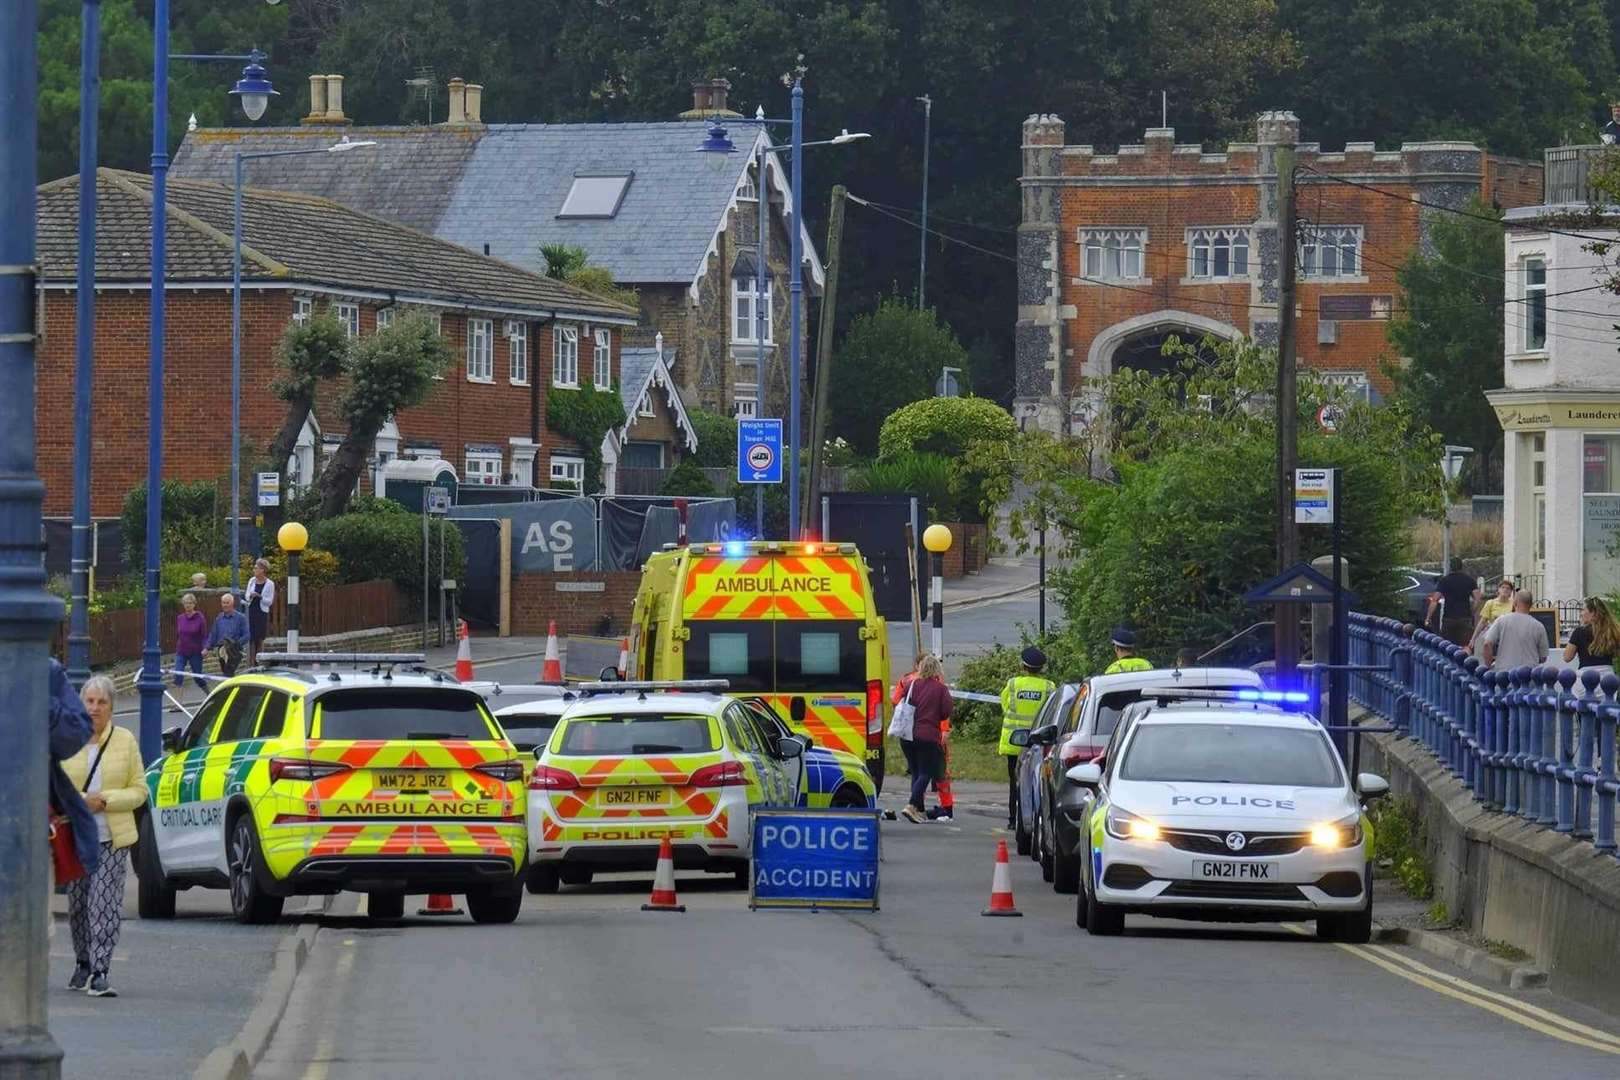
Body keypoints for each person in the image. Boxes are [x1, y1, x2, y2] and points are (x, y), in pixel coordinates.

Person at [60, 676, 146, 997]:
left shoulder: (124, 741)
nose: (95, 708)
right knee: (78, 904)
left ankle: (100, 970)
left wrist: (105, 799)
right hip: (76, 838)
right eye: (90, 702)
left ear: (111, 708)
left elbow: (139, 791)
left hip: (112, 837)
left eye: (102, 703)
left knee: (104, 903)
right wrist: (78, 800)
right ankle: (83, 960)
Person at [48, 659, 97, 943]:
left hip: (30, 829)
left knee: (33, 931)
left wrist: (41, 700)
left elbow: (78, 731)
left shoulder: (44, 672)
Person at [998, 646, 1055, 829]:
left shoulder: (1013, 684)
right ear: (1041, 668)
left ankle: (1013, 819)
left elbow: (1005, 705)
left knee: (1014, 782)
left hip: (1014, 742)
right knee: (1036, 782)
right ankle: (1033, 817)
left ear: (1023, 665)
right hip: (1037, 742)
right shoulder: (1048, 686)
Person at [902, 655, 952, 824]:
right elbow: (946, 712)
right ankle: (911, 805)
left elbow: (902, 703)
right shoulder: (940, 689)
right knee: (926, 772)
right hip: (928, 735)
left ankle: (919, 810)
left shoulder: (911, 684)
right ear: (937, 669)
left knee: (916, 772)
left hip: (907, 735)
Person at [1478, 589, 1550, 672]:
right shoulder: (1539, 626)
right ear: (1531, 605)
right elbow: (1543, 657)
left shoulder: (1501, 620)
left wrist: (1488, 665)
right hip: (1529, 674)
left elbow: (1487, 644)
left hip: (1504, 673)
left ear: (1514, 603)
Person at [889, 653, 926, 799]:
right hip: (924, 729)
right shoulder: (934, 681)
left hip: (906, 729)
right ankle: (916, 803)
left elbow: (895, 700)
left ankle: (916, 802)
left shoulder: (905, 679)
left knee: (915, 768)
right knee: (925, 770)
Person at [1428, 568, 1481, 648]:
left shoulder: (1445, 580)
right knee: (1466, 646)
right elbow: (1477, 599)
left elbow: (1435, 600)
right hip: (1465, 617)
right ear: (1461, 567)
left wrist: (1428, 617)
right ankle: (1466, 660)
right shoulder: (1469, 580)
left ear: (1450, 568)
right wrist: (1472, 612)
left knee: (1447, 646)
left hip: (1448, 618)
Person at [1564, 596, 1620, 669]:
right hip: (1608, 675)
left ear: (1593, 613)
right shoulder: (1613, 631)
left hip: (1586, 676)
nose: (1581, 613)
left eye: (1583, 610)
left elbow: (1567, 657)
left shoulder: (1579, 632)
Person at [173, 592, 208, 703]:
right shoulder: (180, 618)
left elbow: (204, 635)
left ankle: (209, 695)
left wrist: (205, 648)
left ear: (194, 604)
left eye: (189, 603)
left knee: (198, 677)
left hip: (195, 652)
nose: (187, 605)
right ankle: (178, 703)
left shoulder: (199, 618)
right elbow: (179, 634)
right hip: (182, 651)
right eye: (185, 603)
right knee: (178, 675)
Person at [204, 592, 250, 676]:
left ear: (232, 603)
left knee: (228, 673)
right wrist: (207, 648)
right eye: (223, 603)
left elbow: (247, 635)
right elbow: (213, 634)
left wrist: (236, 644)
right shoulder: (219, 618)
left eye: (227, 603)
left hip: (234, 651)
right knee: (226, 674)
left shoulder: (240, 618)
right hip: (221, 651)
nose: (225, 605)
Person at [244, 558, 277, 665]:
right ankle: (251, 662)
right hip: (251, 610)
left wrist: (260, 596)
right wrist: (251, 595)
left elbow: (269, 601)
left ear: (262, 570)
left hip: (261, 612)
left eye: (256, 568)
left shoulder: (270, 584)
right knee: (251, 637)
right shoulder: (252, 580)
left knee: (260, 637)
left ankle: (259, 661)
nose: (254, 569)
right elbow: (247, 595)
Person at [1470, 578, 1516, 648]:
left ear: (1510, 592)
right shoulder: (1490, 603)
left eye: (1508, 588)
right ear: (1498, 590)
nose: (1505, 589)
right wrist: (1473, 639)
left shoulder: (1514, 604)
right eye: (1503, 587)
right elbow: (1482, 622)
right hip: (1493, 635)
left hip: (1508, 636)